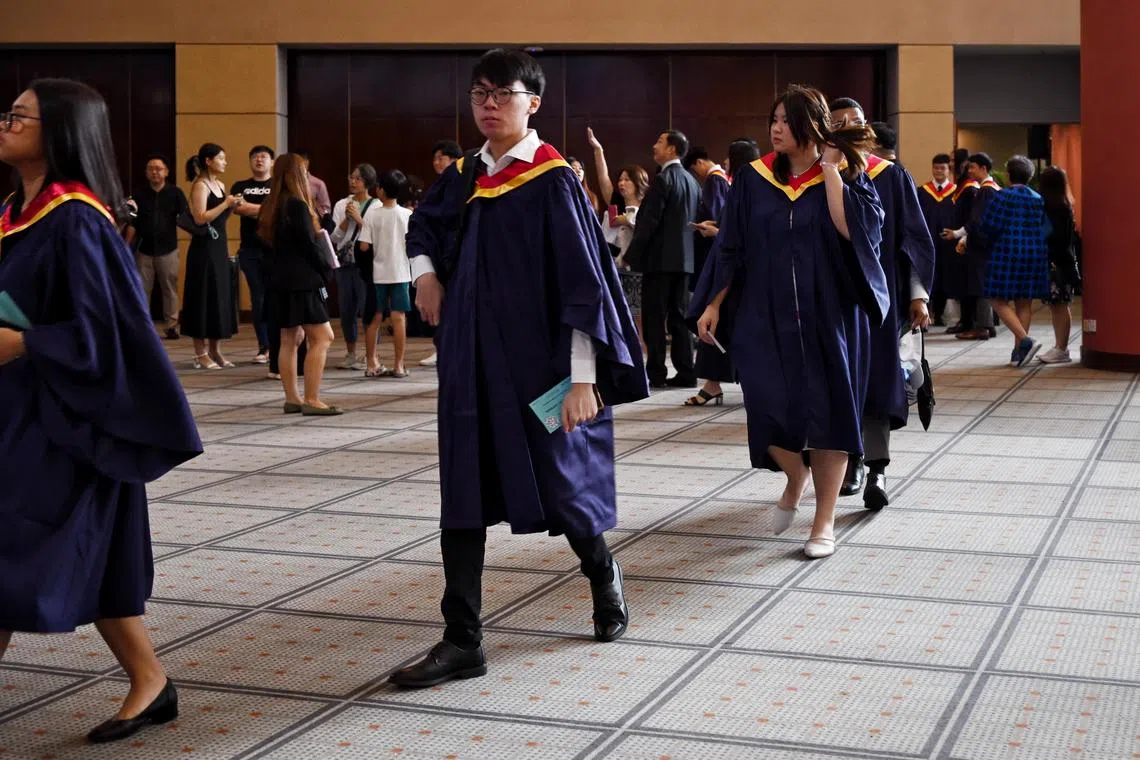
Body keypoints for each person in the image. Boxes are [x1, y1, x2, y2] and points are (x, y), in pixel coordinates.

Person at [389, 48, 648, 688]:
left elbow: (584, 283)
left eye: (502, 93)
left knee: (563, 488)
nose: (488, 104)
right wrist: (424, 276)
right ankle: (462, 639)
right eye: (480, 93)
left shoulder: (550, 178)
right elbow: (423, 225)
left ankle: (603, 575)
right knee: (465, 492)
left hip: (542, 368)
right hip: (471, 363)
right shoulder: (466, 174)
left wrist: (584, 376)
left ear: (533, 102)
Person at [0, 78, 202, 744]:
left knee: (10, 547)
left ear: (57, 131)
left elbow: (110, 331)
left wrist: (27, 341)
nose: (6, 123)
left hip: (61, 419)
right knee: (88, 556)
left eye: (20, 116)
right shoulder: (15, 210)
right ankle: (151, 682)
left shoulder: (78, 218)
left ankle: (152, 684)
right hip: (18, 409)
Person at [692, 85, 888, 559]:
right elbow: (731, 245)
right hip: (766, 312)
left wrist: (830, 170)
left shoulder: (849, 174)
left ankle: (822, 524)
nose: (775, 129)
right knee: (765, 406)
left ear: (810, 125)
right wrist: (714, 301)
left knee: (830, 415)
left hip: (830, 316)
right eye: (772, 120)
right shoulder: (754, 180)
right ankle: (794, 475)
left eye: (784, 120)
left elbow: (856, 235)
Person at [829, 98, 935, 509]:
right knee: (841, 382)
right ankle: (849, 459)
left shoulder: (891, 176)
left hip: (881, 300)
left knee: (877, 380)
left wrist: (918, 295)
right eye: (840, 123)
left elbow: (913, 240)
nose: (850, 127)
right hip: (833, 298)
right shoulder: (820, 178)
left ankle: (875, 467)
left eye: (857, 121)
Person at [258, 153, 341, 415]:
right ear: (296, 175)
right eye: (304, 172)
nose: (307, 177)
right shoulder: (296, 205)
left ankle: (292, 398)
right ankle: (312, 399)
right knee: (323, 337)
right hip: (303, 281)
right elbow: (308, 244)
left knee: (289, 338)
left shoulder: (272, 204)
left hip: (280, 281)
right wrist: (326, 267)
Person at [625, 128, 701, 388]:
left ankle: (656, 373)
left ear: (671, 149)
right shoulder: (692, 181)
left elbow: (649, 223)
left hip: (659, 262)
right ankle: (686, 372)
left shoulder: (663, 179)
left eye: (659, 141)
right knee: (680, 318)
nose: (654, 145)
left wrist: (631, 255)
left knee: (655, 318)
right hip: (685, 262)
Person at [981, 155, 1050, 367]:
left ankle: (1025, 340)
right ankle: (1018, 353)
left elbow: (989, 225)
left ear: (1009, 175)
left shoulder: (1003, 196)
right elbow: (1046, 229)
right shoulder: (1038, 198)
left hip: (1006, 252)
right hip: (1035, 254)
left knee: (997, 300)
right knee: (1024, 301)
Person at [683, 143, 737, 407]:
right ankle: (712, 384)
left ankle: (712, 384)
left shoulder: (716, 182)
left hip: (725, 265)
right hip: (726, 264)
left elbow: (731, 231)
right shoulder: (735, 184)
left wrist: (712, 229)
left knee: (714, 322)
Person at [180, 143, 242, 369]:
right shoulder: (201, 185)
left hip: (219, 245)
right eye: (221, 158)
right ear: (208, 161)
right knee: (202, 296)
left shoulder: (220, 184)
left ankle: (216, 350)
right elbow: (199, 218)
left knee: (218, 296)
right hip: (203, 248)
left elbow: (219, 220)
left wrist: (231, 207)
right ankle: (200, 352)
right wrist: (225, 203)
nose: (225, 162)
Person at [586, 127, 649, 338]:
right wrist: (598, 151)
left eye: (627, 180)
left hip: (639, 270)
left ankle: (643, 354)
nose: (621, 183)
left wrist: (630, 220)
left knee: (641, 318)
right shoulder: (616, 206)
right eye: (620, 179)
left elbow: (650, 229)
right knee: (619, 314)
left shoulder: (648, 208)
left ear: (638, 182)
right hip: (616, 268)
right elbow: (603, 179)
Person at [358, 169, 413, 378]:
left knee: (375, 318)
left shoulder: (372, 214)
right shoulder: (407, 215)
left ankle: (372, 363)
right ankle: (399, 365)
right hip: (401, 272)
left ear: (380, 190)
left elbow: (364, 246)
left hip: (378, 274)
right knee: (399, 318)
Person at [942, 153, 1000, 340]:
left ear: (984, 168)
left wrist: (958, 235)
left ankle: (982, 326)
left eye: (973, 167)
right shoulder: (993, 188)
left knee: (980, 285)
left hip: (981, 246)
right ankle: (988, 325)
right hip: (989, 245)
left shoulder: (985, 190)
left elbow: (977, 220)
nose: (970, 171)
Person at [129, 153, 188, 340]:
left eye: (158, 169)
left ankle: (171, 325)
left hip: (168, 248)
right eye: (151, 169)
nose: (154, 172)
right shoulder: (138, 194)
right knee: (142, 289)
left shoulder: (176, 193)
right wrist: (125, 245)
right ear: (146, 173)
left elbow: (185, 217)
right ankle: (144, 327)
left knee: (169, 288)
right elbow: (132, 222)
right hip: (143, 249)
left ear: (166, 172)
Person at [329, 163, 380, 370]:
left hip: (365, 266)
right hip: (344, 264)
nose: (352, 181)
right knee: (346, 310)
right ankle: (350, 353)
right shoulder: (342, 204)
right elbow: (334, 237)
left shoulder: (377, 206)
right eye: (351, 178)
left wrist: (359, 220)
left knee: (367, 309)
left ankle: (371, 355)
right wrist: (346, 220)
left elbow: (376, 236)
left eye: (357, 178)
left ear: (367, 182)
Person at [231, 145, 275, 364]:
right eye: (255, 157)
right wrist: (266, 209)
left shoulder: (277, 185)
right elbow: (237, 208)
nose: (259, 160)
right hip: (249, 250)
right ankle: (263, 346)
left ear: (272, 162)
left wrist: (253, 208)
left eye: (264, 157)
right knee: (258, 298)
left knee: (274, 297)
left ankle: (277, 345)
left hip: (274, 250)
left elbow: (278, 209)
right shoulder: (241, 186)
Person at [421, 140, 464, 368]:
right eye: (435, 159)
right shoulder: (440, 186)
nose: (436, 163)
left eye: (441, 158)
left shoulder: (463, 179)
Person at [1037, 166, 1080, 363]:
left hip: (1058, 262)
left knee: (1059, 305)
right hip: (1062, 261)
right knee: (1058, 305)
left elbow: (1057, 238)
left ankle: (1061, 348)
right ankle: (1059, 346)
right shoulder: (1063, 204)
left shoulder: (1056, 208)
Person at [918, 154, 959, 326]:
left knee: (945, 277)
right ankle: (928, 312)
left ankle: (940, 314)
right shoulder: (922, 191)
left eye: (943, 168)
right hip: (929, 242)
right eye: (936, 168)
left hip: (948, 243)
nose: (939, 171)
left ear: (948, 170)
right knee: (929, 276)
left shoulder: (956, 192)